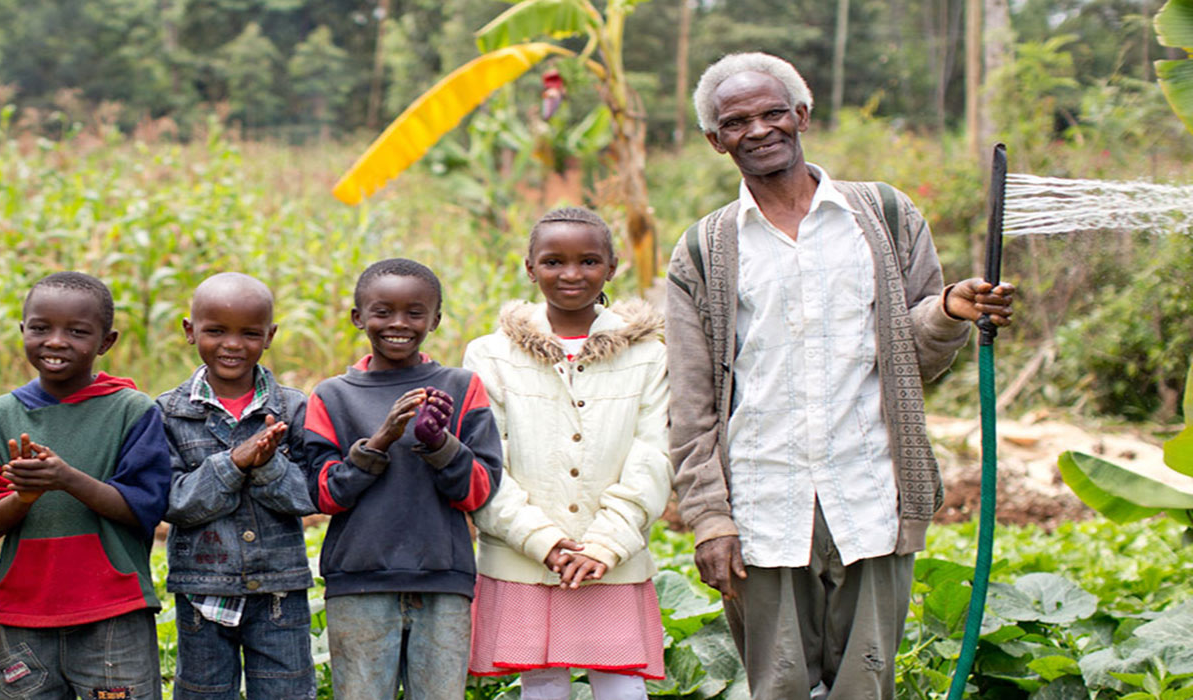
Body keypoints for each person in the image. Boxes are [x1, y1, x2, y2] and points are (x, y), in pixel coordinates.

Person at [669, 52, 1018, 700]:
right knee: (778, 687)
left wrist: (947, 312)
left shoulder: (884, 214)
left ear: (802, 116)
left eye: (773, 112)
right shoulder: (703, 250)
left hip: (871, 491)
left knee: (867, 685)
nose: (759, 129)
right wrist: (711, 519)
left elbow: (916, 360)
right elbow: (691, 405)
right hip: (762, 501)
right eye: (736, 122)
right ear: (716, 140)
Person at [462, 207, 670, 700]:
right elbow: (486, 464)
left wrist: (603, 545)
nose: (571, 274)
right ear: (530, 268)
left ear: (612, 267)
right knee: (542, 686)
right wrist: (544, 541)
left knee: (622, 686)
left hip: (612, 560)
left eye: (588, 261)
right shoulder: (490, 355)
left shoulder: (648, 355)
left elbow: (654, 457)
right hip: (523, 557)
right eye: (553, 262)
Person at [301, 258, 505, 700]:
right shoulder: (332, 396)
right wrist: (380, 441)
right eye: (383, 311)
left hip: (442, 581)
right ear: (358, 317)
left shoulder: (462, 387)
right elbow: (323, 494)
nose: (398, 323)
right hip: (359, 582)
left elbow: (479, 491)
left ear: (436, 319)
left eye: (415, 313)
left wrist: (440, 444)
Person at [0, 271, 172, 699]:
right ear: (23, 330)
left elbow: (144, 508)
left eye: (77, 332)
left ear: (106, 342)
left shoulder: (131, 411)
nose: (56, 342)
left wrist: (68, 479)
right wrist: (24, 497)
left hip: (113, 608)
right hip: (25, 610)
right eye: (41, 328)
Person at [160, 273, 318, 700]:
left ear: (270, 336)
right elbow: (173, 502)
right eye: (216, 331)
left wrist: (267, 466)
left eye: (249, 333)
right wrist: (233, 463)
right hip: (202, 591)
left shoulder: (293, 408)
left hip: (279, 591)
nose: (232, 345)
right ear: (190, 331)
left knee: (287, 693)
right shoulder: (168, 413)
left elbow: (308, 496)